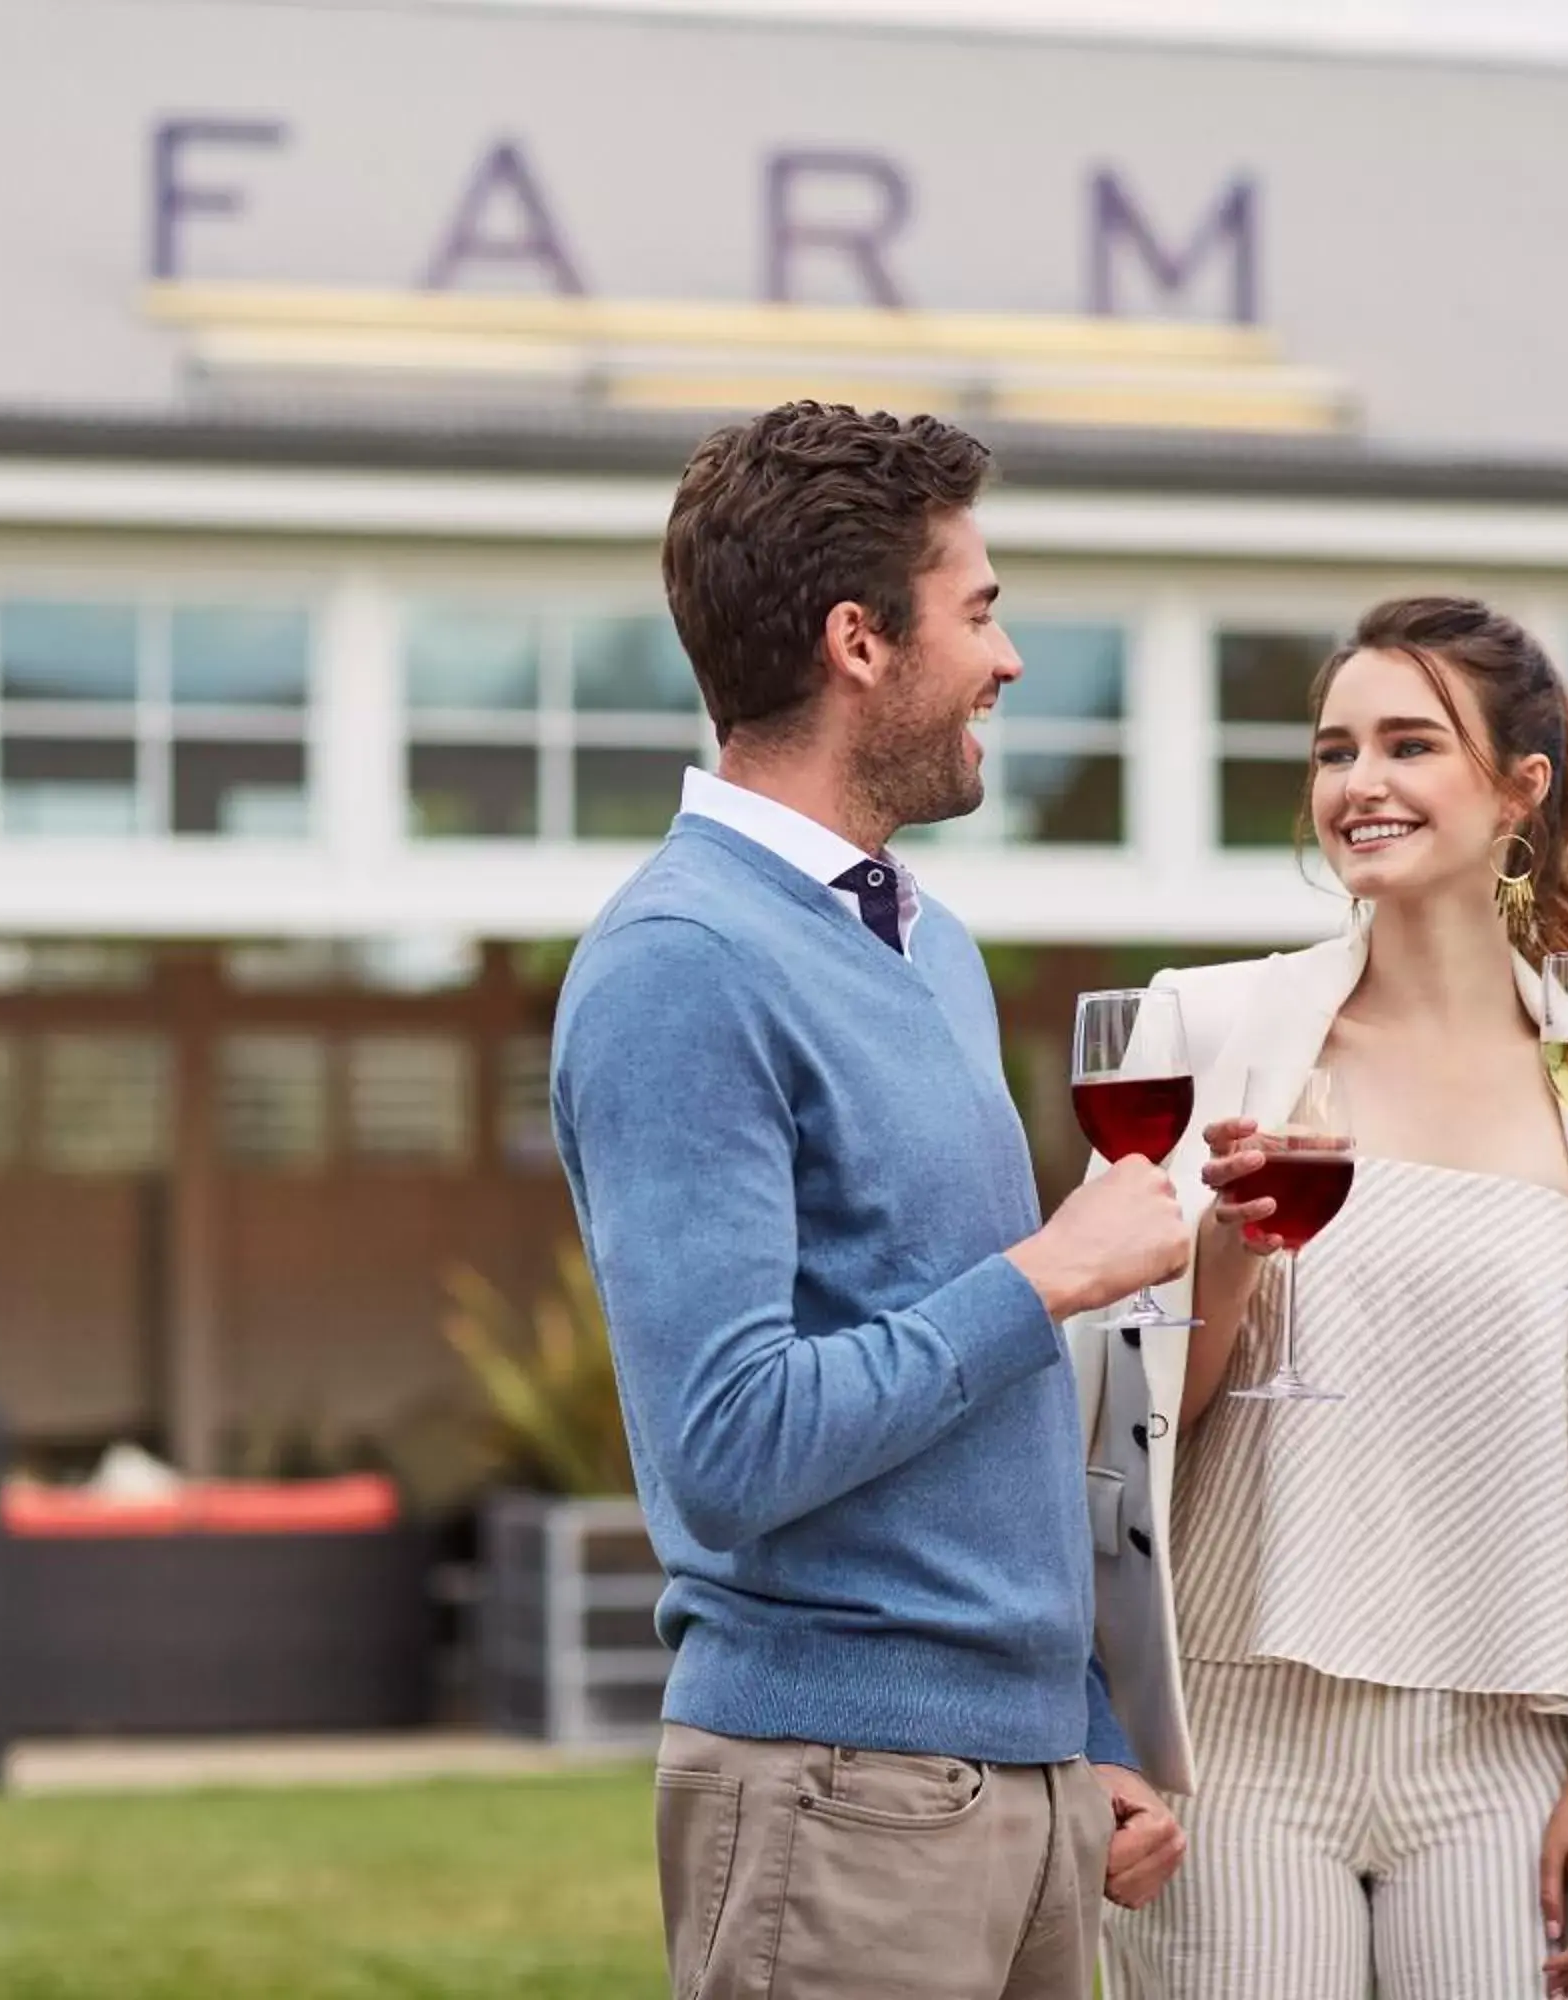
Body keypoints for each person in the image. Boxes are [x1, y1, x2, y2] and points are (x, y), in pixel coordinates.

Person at [552, 401, 1193, 2000]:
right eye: (978, 610)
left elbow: (970, 1423)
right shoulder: (682, 966)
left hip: (1024, 1794)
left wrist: (1081, 1731)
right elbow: (726, 1449)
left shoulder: (928, 944)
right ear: (859, 641)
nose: (1010, 658)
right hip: (835, 1796)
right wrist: (1044, 1275)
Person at [1075, 597, 1568, 2000]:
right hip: (1235, 1740)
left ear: (1522, 787)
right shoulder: (1205, 1031)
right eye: (1336, 751)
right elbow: (1128, 1416)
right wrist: (1233, 1249)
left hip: (1506, 1748)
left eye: (1410, 744)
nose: (1361, 785)